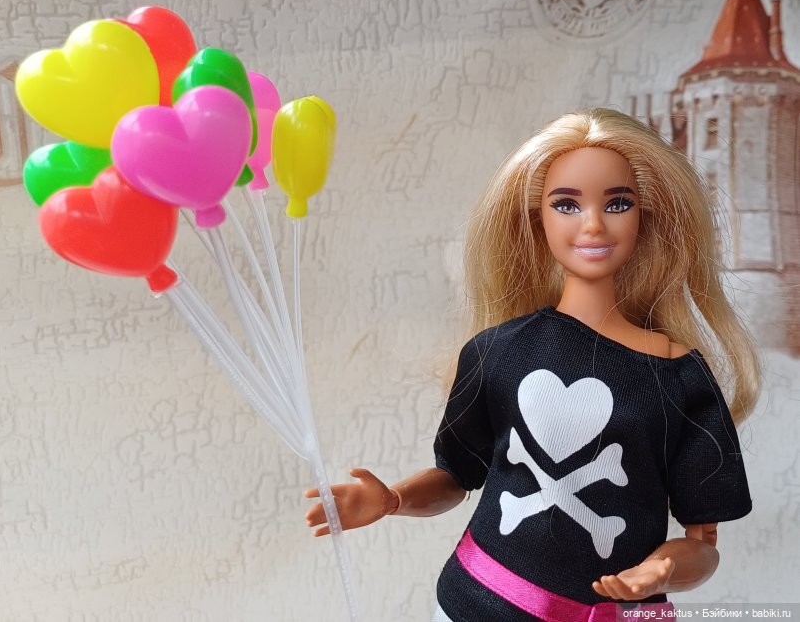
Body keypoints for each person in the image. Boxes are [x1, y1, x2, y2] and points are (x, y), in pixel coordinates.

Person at [305, 109, 760, 622]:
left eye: (617, 203)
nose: (593, 224)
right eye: (566, 204)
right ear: (536, 219)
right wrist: (392, 499)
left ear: (645, 217)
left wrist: (661, 572)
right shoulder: (498, 351)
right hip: (477, 602)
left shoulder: (679, 377)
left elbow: (703, 542)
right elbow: (456, 475)